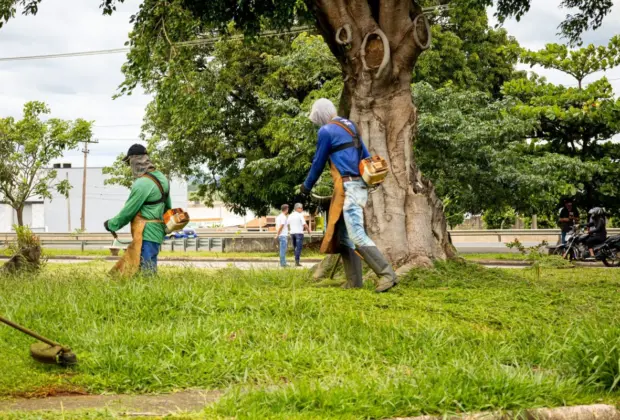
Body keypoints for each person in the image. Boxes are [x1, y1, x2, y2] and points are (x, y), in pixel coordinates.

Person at [300, 98, 397, 292]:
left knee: (356, 234)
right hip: (357, 185)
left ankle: (387, 274)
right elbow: (365, 154)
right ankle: (353, 282)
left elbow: (318, 162)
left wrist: (306, 186)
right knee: (344, 236)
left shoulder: (326, 131)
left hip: (349, 187)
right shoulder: (350, 125)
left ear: (319, 115)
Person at [104, 144, 171, 276]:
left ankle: (149, 294)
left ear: (135, 160)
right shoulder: (162, 178)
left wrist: (112, 224)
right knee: (148, 266)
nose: (129, 166)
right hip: (158, 230)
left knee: (145, 270)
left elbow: (129, 211)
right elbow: (167, 206)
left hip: (146, 231)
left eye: (129, 162)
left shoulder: (142, 183)